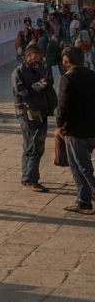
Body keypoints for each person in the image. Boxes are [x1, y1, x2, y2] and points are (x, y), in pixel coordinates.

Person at [56, 45, 95, 214]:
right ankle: (83, 201)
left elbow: (63, 106)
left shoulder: (68, 78)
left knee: (82, 167)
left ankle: (87, 198)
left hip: (75, 131)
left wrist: (59, 125)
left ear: (66, 61)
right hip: (92, 128)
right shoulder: (92, 75)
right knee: (80, 167)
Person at [12, 44, 55, 193]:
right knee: (35, 145)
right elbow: (20, 92)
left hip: (42, 110)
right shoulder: (19, 71)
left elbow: (50, 82)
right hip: (28, 111)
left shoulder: (43, 68)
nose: (34, 58)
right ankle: (31, 179)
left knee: (31, 145)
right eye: (30, 56)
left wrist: (46, 82)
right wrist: (38, 86)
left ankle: (27, 177)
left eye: (36, 55)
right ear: (26, 57)